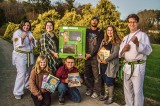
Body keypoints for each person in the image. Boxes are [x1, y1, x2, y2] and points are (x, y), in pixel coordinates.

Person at [119, 14, 152, 106]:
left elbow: (148, 50)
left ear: (137, 23)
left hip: (138, 66)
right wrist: (123, 50)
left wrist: (138, 43)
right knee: (127, 89)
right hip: (127, 66)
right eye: (130, 22)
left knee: (137, 91)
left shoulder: (143, 35)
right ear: (128, 24)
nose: (132, 24)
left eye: (134, 22)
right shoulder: (126, 37)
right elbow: (120, 54)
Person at [12, 19, 36, 99]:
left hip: (29, 55)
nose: (26, 27)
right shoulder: (17, 32)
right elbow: (16, 43)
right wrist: (21, 38)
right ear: (22, 25)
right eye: (25, 25)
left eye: (28, 25)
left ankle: (26, 85)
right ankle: (17, 92)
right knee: (21, 73)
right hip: (20, 56)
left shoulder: (29, 33)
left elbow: (34, 43)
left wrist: (32, 40)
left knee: (28, 73)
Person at [98, 25, 121, 104]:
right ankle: (106, 95)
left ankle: (111, 98)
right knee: (104, 79)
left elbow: (115, 54)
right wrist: (98, 58)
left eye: (111, 30)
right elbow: (100, 50)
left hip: (111, 64)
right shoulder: (104, 40)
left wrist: (106, 60)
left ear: (114, 31)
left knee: (109, 81)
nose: (109, 32)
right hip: (103, 64)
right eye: (108, 30)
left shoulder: (117, 41)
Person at [84, 16, 104, 98]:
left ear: (98, 22)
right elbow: (81, 41)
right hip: (86, 56)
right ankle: (89, 89)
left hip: (95, 57)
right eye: (93, 20)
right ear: (90, 21)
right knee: (87, 74)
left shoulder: (100, 32)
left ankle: (97, 91)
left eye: (96, 20)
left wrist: (90, 54)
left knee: (96, 75)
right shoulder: (86, 31)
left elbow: (98, 45)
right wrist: (83, 53)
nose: (94, 21)